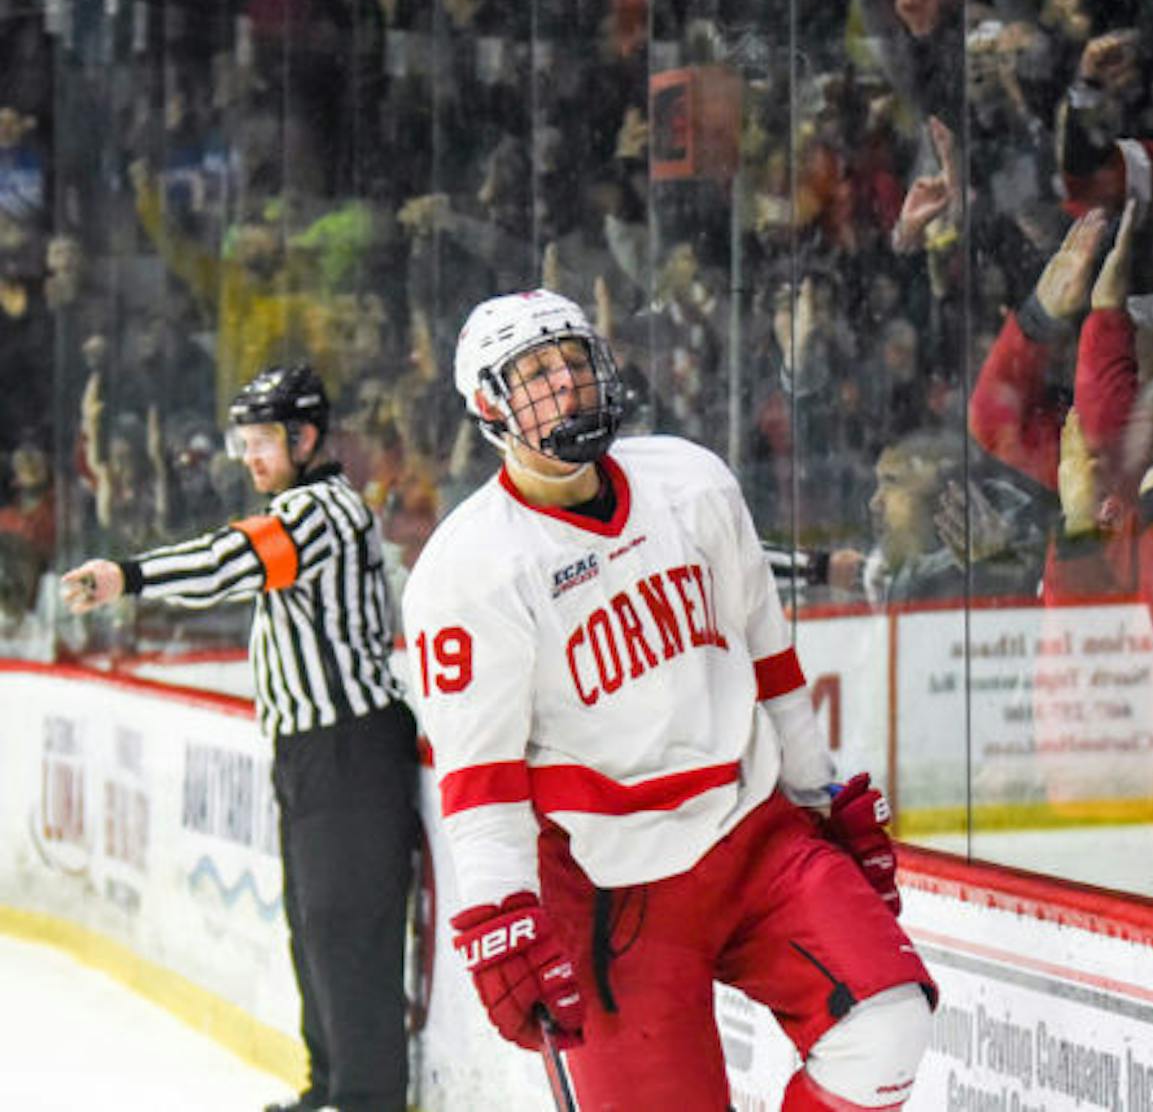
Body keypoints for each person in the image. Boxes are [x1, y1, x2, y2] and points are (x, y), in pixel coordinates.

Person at [400, 289, 934, 1110]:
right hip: (614, 895)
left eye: (575, 362)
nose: (568, 386)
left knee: (886, 1027)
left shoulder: (690, 482)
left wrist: (818, 795)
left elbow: (772, 662)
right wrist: (501, 915)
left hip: (754, 834)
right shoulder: (467, 569)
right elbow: (484, 785)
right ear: (488, 407)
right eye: (537, 374)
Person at [60, 365, 418, 1112]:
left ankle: (367, 1100)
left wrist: (127, 576)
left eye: (262, 441)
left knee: (346, 930)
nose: (248, 456)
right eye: (243, 441)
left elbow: (231, 561)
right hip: (311, 753)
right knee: (313, 927)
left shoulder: (320, 511)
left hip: (349, 749)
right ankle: (330, 1086)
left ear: (306, 437)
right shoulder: (296, 505)